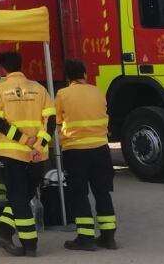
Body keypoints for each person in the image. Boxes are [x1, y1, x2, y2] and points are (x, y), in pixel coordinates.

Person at [0, 51, 55, 257]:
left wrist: (24, 140)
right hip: (37, 155)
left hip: (12, 154)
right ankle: (4, 232)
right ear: (21, 65)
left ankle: (29, 244)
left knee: (18, 197)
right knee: (24, 196)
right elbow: (51, 121)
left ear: (3, 68)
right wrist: (38, 145)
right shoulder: (39, 88)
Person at [56, 59, 117, 251]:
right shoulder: (97, 91)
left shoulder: (62, 94)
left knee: (79, 193)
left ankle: (85, 237)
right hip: (100, 148)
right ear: (84, 74)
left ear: (67, 77)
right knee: (102, 191)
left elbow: (57, 120)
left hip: (75, 151)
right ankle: (108, 236)